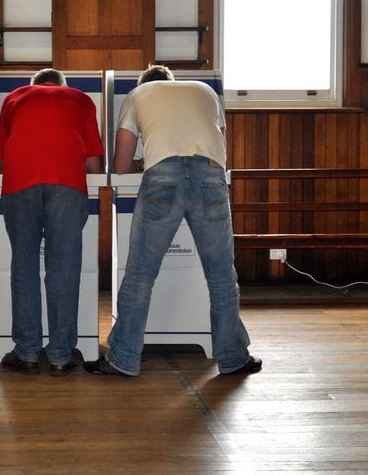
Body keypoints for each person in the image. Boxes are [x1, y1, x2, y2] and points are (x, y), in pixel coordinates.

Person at [83, 64, 261, 377]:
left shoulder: (138, 94)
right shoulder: (205, 91)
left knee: (140, 273)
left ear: (144, 83)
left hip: (162, 174)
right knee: (221, 274)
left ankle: (123, 359)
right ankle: (233, 357)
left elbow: (121, 165)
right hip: (210, 174)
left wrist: (144, 160)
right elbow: (220, 143)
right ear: (172, 81)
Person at [0, 68, 104, 376]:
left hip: (20, 184)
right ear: (61, 85)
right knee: (64, 269)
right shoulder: (80, 99)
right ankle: (60, 355)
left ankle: (27, 353)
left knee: (24, 266)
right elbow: (93, 161)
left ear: (35, 85)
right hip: (68, 184)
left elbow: (2, 159)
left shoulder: (14, 98)